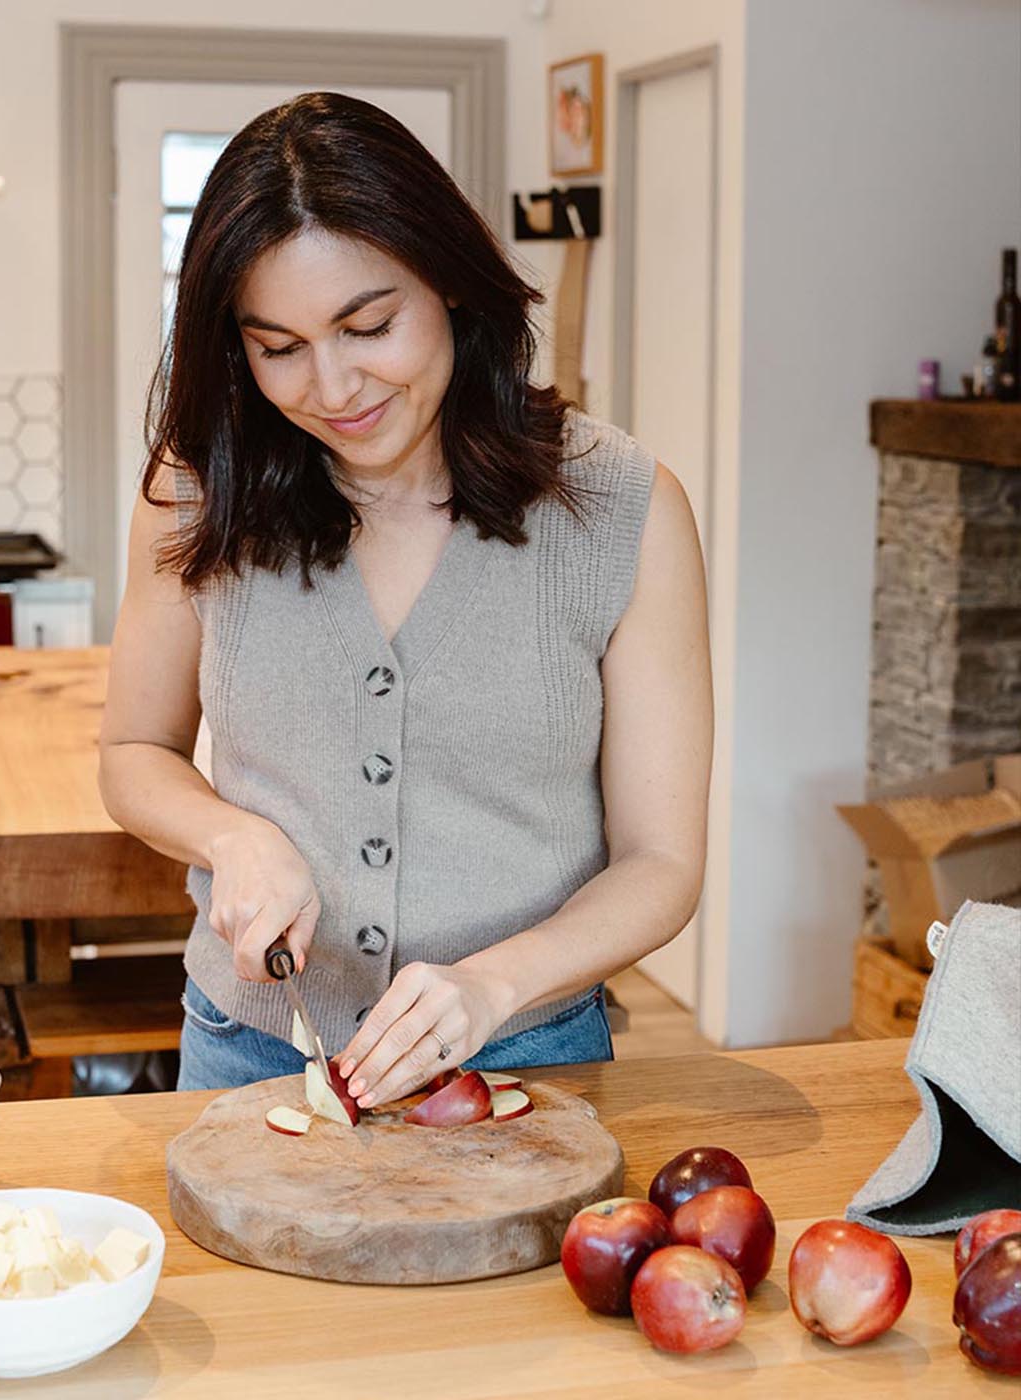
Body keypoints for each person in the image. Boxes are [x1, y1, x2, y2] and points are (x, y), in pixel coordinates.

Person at [99, 92, 711, 1103]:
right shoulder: (193, 491)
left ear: (451, 285)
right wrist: (233, 836)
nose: (331, 386)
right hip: (249, 1052)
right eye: (277, 347)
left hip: (527, 1057)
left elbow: (660, 862)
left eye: (368, 325)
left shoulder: (621, 508)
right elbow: (132, 755)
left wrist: (491, 983)